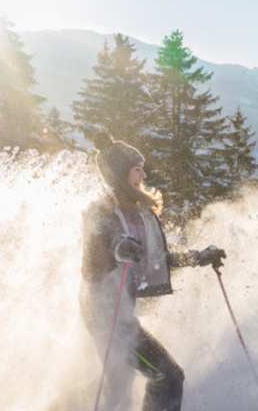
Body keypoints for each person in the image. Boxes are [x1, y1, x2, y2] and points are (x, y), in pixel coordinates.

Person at [80, 140, 227, 411]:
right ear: (119, 173)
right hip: (105, 315)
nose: (143, 176)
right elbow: (99, 249)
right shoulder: (101, 212)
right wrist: (118, 248)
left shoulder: (139, 213)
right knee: (168, 377)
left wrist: (199, 257)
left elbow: (158, 258)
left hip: (121, 314)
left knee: (118, 381)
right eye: (137, 169)